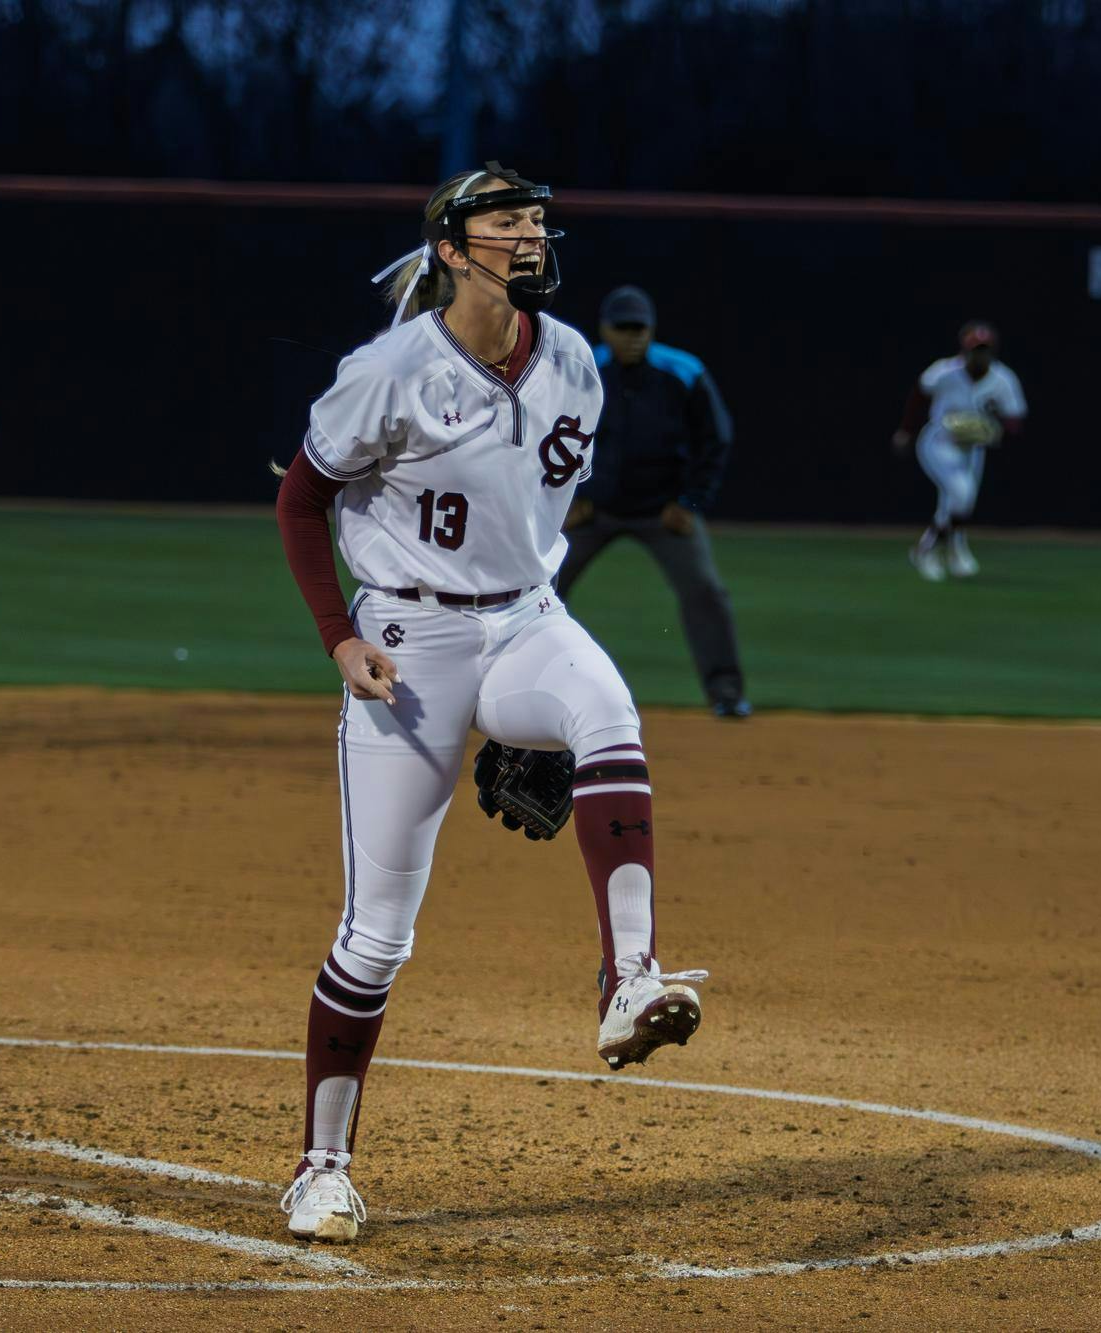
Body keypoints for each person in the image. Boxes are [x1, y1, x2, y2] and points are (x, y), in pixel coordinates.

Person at [272, 164, 710, 1244]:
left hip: (522, 619)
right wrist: (338, 634)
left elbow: (529, 530)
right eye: (505, 219)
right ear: (452, 247)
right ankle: (320, 1166)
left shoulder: (569, 360)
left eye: (536, 219)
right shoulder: (387, 371)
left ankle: (628, 978)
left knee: (605, 709)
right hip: (406, 643)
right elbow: (300, 498)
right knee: (375, 938)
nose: (529, 234)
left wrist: (535, 713)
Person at [556, 285, 748, 718]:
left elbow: (716, 439)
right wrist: (568, 497)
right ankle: (519, 687)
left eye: (639, 328)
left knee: (705, 590)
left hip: (665, 512)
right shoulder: (581, 371)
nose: (632, 336)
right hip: (593, 511)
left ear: (652, 330)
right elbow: (549, 436)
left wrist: (691, 503)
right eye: (622, 328)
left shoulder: (682, 371)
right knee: (536, 589)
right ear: (604, 330)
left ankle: (727, 694)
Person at [891, 320, 1026, 581]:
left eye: (984, 349)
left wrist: (994, 423)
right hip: (939, 442)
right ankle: (926, 550)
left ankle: (955, 551)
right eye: (975, 349)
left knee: (957, 502)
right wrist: (906, 431)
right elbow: (919, 395)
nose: (979, 354)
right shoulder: (944, 371)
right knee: (961, 493)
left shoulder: (1003, 379)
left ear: (992, 351)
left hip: (974, 449)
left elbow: (1016, 421)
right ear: (964, 350)